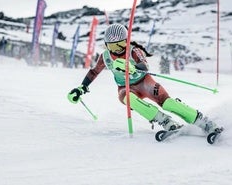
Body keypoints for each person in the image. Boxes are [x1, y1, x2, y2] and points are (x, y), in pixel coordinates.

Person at [67, 23, 221, 134]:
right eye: (112, 46)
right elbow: (94, 72)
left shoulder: (134, 51)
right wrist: (81, 88)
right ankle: (164, 120)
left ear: (126, 41)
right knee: (128, 99)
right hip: (125, 87)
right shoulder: (105, 57)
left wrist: (132, 67)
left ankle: (201, 120)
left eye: (120, 45)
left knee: (167, 103)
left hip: (144, 82)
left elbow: (144, 66)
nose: (117, 50)